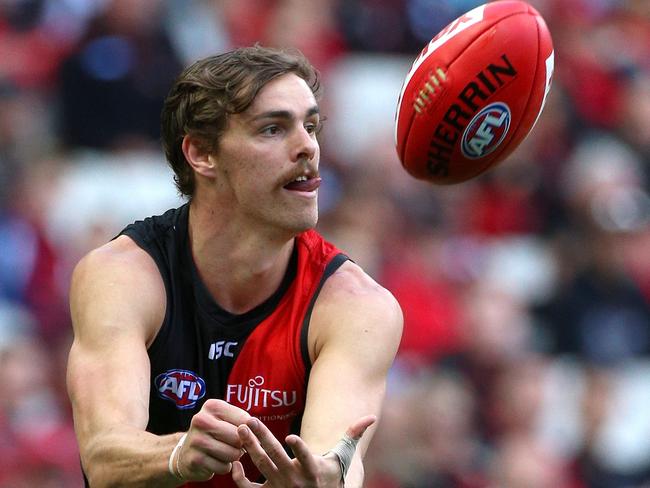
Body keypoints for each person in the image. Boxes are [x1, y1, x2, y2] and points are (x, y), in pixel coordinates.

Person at [66, 45, 403, 487]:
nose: (308, 147)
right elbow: (104, 457)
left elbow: (335, 461)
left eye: (312, 126)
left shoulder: (358, 307)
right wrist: (178, 453)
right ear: (201, 154)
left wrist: (322, 480)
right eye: (272, 129)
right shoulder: (124, 276)